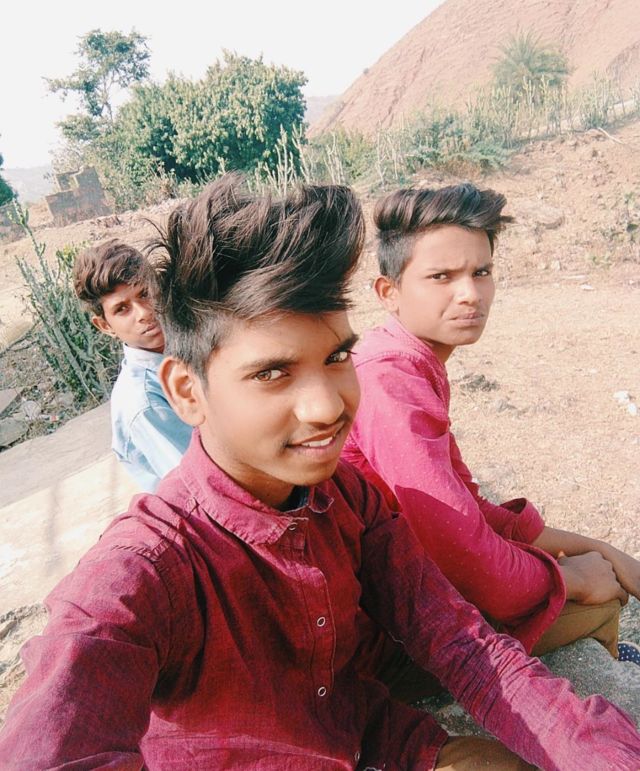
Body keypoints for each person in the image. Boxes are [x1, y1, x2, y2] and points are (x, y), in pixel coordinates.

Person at [2, 175, 639, 769]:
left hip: (376, 735)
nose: (327, 408)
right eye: (272, 373)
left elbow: (460, 642)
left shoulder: (346, 498)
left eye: (336, 357)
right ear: (188, 392)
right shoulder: (142, 572)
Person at [342, 183, 639, 658]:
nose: (470, 295)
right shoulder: (389, 379)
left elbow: (471, 509)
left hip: (389, 590)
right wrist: (571, 578)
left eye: (481, 272)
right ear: (388, 292)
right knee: (599, 605)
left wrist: (600, 549)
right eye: (441, 277)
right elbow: (463, 554)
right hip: (362, 630)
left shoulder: (407, 361)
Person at [73, 239, 192, 492]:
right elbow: (204, 486)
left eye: (145, 294)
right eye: (122, 309)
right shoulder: (144, 402)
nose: (144, 313)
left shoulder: (187, 346)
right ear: (105, 326)